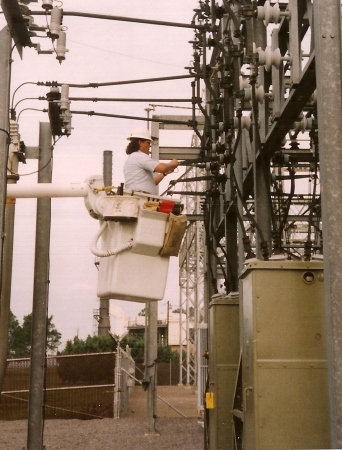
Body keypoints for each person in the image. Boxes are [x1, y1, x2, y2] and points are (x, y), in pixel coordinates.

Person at [123, 127, 179, 195]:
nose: (149, 146)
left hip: (138, 197)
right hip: (141, 199)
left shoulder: (133, 157)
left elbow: (152, 183)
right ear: (140, 142)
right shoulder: (139, 156)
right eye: (148, 143)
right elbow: (162, 168)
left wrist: (164, 173)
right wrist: (172, 164)